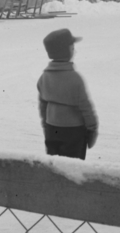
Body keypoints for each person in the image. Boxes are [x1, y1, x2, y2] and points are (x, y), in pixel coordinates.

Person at [37, 27, 99, 159]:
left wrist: (45, 125)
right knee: (73, 166)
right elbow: (85, 106)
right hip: (73, 131)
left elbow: (43, 105)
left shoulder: (44, 77)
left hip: (51, 128)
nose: (74, 51)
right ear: (68, 51)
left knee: (55, 165)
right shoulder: (75, 78)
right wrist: (92, 129)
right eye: (72, 48)